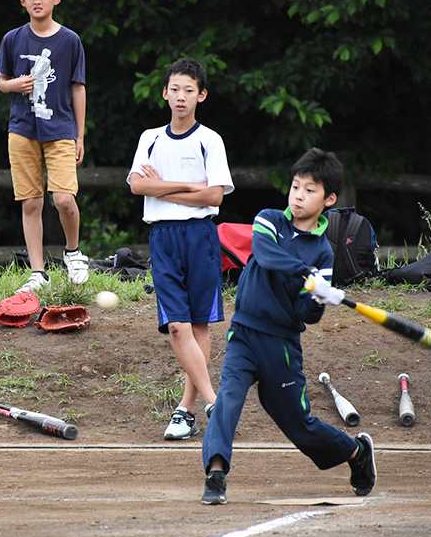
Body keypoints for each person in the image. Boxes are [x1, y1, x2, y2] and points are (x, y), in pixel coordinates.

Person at [200, 148, 376, 505]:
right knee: (227, 400)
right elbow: (265, 255)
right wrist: (307, 275)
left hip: (281, 344)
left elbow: (307, 317)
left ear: (328, 199)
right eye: (296, 186)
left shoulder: (323, 254)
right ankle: (216, 473)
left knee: (298, 425)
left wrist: (317, 298)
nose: (298, 194)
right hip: (244, 334)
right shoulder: (268, 220)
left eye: (310, 190)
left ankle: (356, 452)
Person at [127, 58, 234, 440]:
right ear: (165, 93)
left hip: (201, 236)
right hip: (163, 238)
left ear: (201, 95)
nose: (181, 97)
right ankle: (213, 401)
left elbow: (215, 195)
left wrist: (167, 188)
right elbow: (138, 187)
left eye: (189, 90)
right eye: (175, 89)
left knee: (198, 324)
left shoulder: (211, 140)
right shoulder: (150, 137)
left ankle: (185, 410)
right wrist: (189, 187)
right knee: (176, 326)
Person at [0, 0, 89, 293]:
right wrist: (13, 85)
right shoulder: (12, 38)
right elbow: (1, 81)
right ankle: (38, 272)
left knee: (64, 199)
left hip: (61, 128)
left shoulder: (70, 40)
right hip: (22, 129)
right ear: (22, 1)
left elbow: (78, 88)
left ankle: (73, 252)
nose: (37, 1)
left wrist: (80, 135)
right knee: (31, 202)